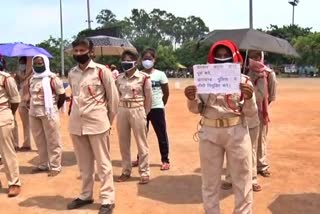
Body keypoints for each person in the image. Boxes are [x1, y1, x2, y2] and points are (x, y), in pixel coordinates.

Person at [184, 40, 257, 214]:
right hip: (210, 133)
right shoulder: (203, 80)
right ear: (212, 57)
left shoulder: (244, 81)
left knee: (243, 180)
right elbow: (196, 110)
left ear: (234, 57)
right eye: (219, 55)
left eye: (226, 55)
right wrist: (191, 98)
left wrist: (248, 97)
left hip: (237, 131)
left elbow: (252, 113)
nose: (222, 59)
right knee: (210, 181)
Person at [67, 38, 119, 214]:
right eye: (76, 51)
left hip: (98, 123)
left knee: (103, 164)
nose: (79, 54)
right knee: (84, 164)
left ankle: (107, 199)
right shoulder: (72, 73)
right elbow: (74, 97)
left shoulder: (102, 71)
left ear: (91, 51)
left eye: (83, 50)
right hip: (76, 124)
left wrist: (107, 121)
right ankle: (85, 195)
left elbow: (113, 99)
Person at [115, 50, 152, 184]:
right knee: (123, 142)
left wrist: (143, 112)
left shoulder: (143, 78)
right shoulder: (119, 78)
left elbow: (149, 98)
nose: (126, 62)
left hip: (137, 109)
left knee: (141, 143)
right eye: (123, 59)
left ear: (136, 62)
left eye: (129, 59)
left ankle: (144, 172)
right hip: (122, 109)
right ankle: (126, 170)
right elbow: (116, 95)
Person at [132, 48, 170, 170]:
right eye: (144, 58)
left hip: (157, 107)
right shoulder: (139, 74)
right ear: (141, 60)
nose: (147, 61)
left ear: (154, 60)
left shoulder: (160, 74)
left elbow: (166, 92)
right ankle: (140, 158)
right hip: (142, 108)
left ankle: (165, 160)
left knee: (161, 134)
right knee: (141, 135)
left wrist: (161, 104)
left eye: (149, 58)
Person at [29, 54, 65, 177]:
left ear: (45, 63)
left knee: (53, 139)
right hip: (34, 112)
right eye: (36, 64)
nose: (38, 66)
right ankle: (43, 164)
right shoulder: (32, 78)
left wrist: (53, 108)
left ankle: (55, 166)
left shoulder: (52, 79)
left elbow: (62, 96)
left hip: (49, 112)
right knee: (39, 139)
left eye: (40, 63)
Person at [248, 50, 277, 177]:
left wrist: (262, 108)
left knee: (261, 139)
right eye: (252, 56)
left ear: (261, 57)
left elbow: (271, 94)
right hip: (247, 111)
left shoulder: (269, 74)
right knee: (248, 140)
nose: (254, 59)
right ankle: (250, 166)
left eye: (257, 56)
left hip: (261, 112)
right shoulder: (246, 72)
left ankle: (262, 165)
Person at [0, 56, 21, 197]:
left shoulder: (5, 78)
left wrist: (9, 114)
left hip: (2, 114)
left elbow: (15, 99)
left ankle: (14, 183)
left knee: (7, 151)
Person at [15, 56, 33, 152]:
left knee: (35, 125)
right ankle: (27, 144)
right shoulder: (18, 74)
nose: (22, 65)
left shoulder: (34, 74)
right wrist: (18, 79)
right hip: (21, 101)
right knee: (25, 124)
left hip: (32, 102)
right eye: (21, 63)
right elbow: (16, 87)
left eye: (23, 63)